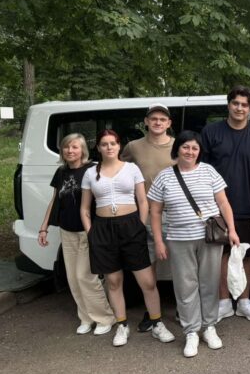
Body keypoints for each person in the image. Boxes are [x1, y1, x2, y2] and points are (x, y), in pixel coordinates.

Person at [148, 131, 240, 358]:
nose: (190, 152)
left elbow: (223, 203)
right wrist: (158, 241)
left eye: (195, 148)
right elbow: (155, 211)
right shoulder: (164, 176)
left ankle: (209, 327)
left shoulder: (209, 171)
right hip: (178, 239)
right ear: (177, 149)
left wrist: (232, 230)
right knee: (185, 286)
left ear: (200, 151)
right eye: (186, 147)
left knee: (209, 283)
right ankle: (191, 331)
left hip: (210, 237)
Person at [80, 129, 175, 347]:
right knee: (113, 281)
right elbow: (85, 208)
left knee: (147, 281)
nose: (109, 147)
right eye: (104, 144)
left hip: (131, 226)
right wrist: (91, 232)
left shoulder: (131, 169)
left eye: (113, 143)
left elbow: (143, 201)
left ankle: (157, 323)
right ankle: (122, 325)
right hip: (103, 229)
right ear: (98, 148)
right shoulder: (90, 173)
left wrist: (139, 226)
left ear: (119, 146)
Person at [201, 86, 250, 323]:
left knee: (246, 255)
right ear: (228, 104)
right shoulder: (211, 132)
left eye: (244, 105)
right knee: (222, 255)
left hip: (248, 206)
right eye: (235, 103)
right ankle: (223, 303)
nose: (239, 108)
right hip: (216, 208)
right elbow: (202, 171)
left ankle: (243, 302)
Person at [38, 133, 115, 336]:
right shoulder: (61, 172)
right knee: (73, 278)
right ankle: (86, 318)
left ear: (83, 150)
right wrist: (44, 227)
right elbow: (55, 200)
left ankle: (104, 318)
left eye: (75, 147)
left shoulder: (93, 169)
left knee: (85, 276)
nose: (70, 151)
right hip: (67, 231)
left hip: (87, 231)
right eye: (66, 147)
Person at [120, 103, 175, 332]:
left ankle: (183, 309)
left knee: (181, 265)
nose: (158, 122)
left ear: (169, 123)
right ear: (146, 121)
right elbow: (118, 167)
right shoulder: (133, 147)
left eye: (162, 119)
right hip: (146, 213)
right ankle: (152, 313)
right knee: (148, 265)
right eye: (153, 119)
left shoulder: (178, 145)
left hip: (175, 213)